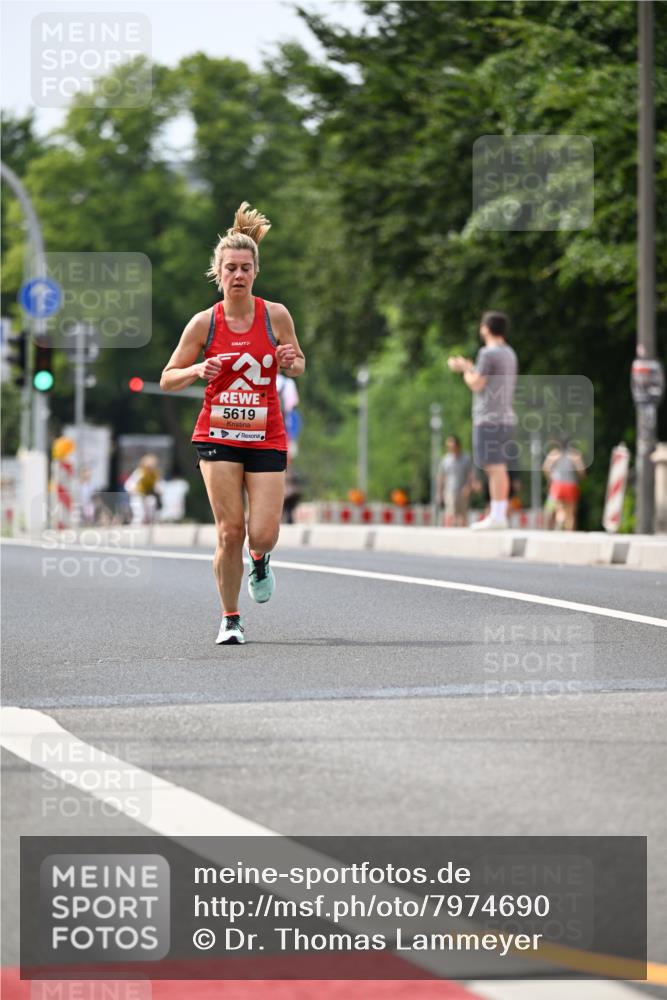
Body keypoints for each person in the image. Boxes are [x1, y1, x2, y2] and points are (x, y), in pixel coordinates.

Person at [160, 202, 305, 645]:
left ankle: (260, 559)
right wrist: (196, 371)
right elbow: (167, 379)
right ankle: (230, 617)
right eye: (230, 268)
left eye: (245, 268)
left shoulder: (274, 315)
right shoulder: (204, 323)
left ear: (255, 272)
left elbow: (297, 364)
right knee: (230, 531)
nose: (238, 275)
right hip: (218, 435)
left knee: (262, 533)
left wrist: (290, 359)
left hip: (266, 435)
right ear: (217, 273)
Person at [448, 310, 518, 530]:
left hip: (489, 417)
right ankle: (499, 513)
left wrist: (465, 370)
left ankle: (497, 516)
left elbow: (477, 383)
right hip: (506, 416)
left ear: (486, 329)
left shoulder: (488, 354)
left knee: (493, 467)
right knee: (499, 466)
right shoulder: (509, 353)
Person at [543, 439, 585, 531]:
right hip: (571, 485)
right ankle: (569, 532)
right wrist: (580, 478)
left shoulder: (554, 453)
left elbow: (546, 467)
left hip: (557, 485)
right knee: (570, 512)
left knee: (559, 508)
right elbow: (581, 470)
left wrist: (550, 478)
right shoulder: (574, 454)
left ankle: (560, 521)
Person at [436, 435, 474, 527]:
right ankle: (448, 533)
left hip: (463, 491)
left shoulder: (466, 458)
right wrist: (439, 492)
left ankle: (462, 534)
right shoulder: (445, 459)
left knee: (462, 515)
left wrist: (468, 487)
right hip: (449, 490)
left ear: (458, 445)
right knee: (450, 513)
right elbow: (441, 476)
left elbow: (471, 474)